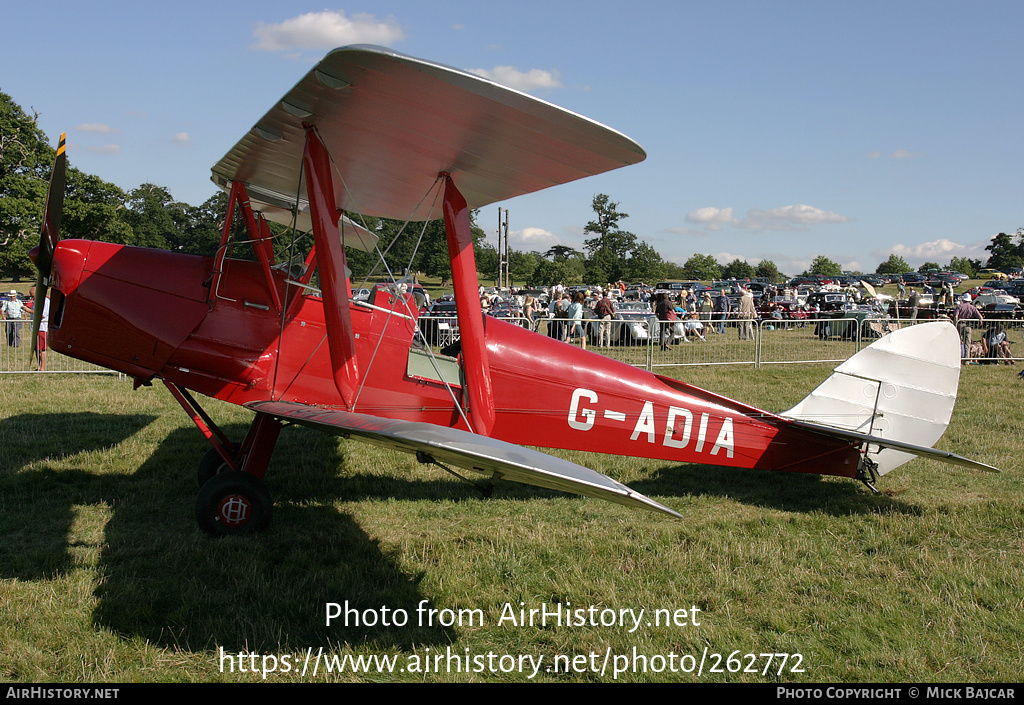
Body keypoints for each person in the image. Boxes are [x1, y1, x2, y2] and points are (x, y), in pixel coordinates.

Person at [29, 286, 50, 371]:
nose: (32, 297)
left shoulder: (45, 301)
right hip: (36, 328)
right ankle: (39, 366)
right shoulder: (37, 301)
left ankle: (42, 367)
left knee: (42, 349)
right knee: (37, 349)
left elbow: (42, 314)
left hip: (42, 328)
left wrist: (27, 310)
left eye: (33, 295)